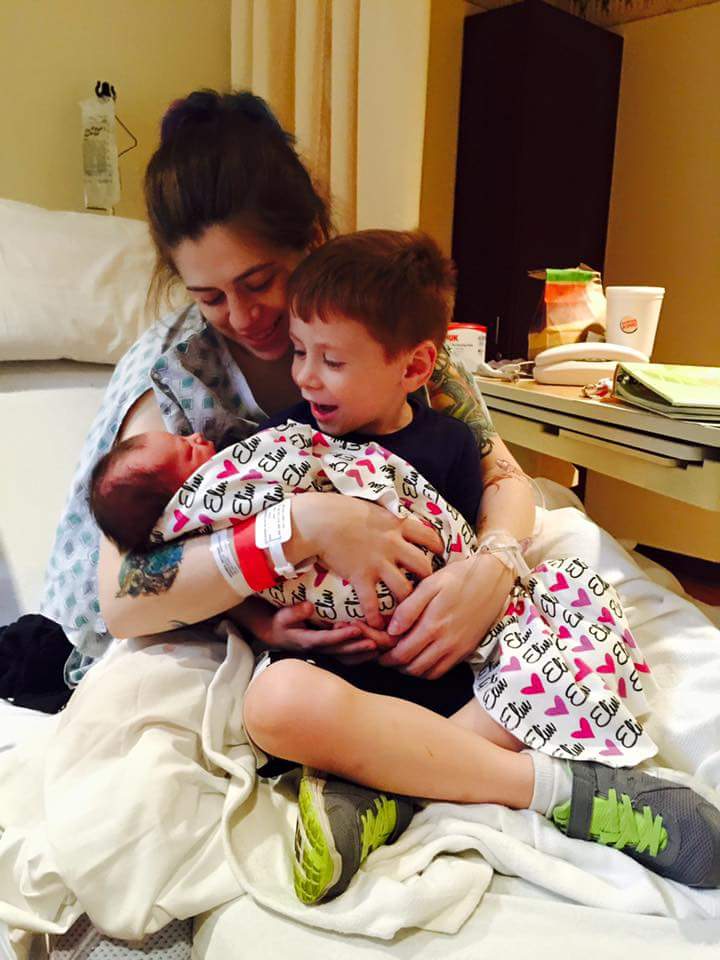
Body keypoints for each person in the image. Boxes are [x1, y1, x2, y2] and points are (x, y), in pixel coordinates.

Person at [40, 90, 718, 953]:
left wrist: (492, 569)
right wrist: (294, 539)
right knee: (253, 713)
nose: (244, 319)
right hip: (269, 630)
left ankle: (389, 779)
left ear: (313, 242)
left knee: (578, 563)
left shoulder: (378, 326)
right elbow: (127, 601)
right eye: (210, 296)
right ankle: (548, 787)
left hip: (441, 617)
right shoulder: (175, 380)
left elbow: (503, 479)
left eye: (261, 282)